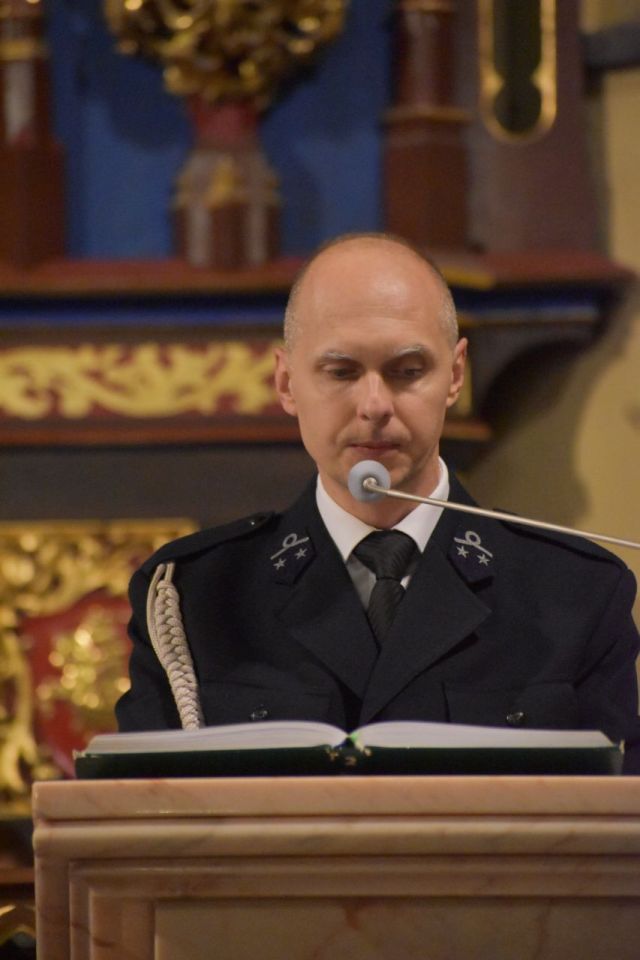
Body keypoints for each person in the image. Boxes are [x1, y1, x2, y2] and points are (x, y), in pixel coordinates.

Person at [116, 233, 640, 771]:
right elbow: (144, 810)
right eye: (341, 372)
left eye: (407, 371)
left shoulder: (575, 594)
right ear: (287, 383)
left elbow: (616, 813)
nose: (374, 406)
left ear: (455, 375)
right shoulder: (195, 597)